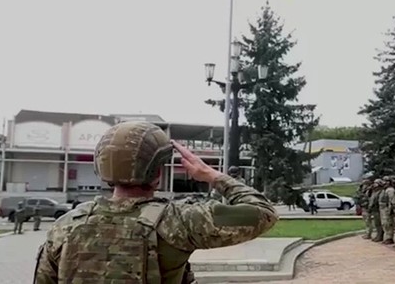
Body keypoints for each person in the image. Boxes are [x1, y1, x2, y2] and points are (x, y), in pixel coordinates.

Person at [33, 121, 278, 284]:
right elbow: (263, 212)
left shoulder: (64, 227)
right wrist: (211, 175)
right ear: (157, 173)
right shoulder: (180, 221)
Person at [378, 176, 395, 244]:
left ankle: (389, 237)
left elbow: (392, 200)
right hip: (382, 209)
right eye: (384, 181)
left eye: (387, 181)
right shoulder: (384, 190)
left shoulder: (390, 190)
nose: (385, 182)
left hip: (386, 209)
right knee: (384, 223)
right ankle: (386, 237)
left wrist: (390, 209)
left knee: (387, 223)